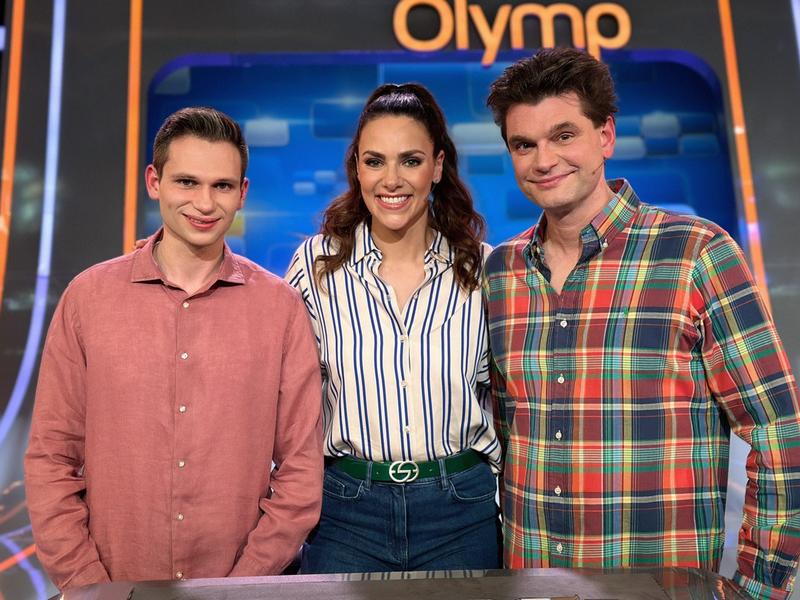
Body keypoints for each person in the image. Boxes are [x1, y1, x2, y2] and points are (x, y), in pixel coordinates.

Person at [482, 47, 800, 599]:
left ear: (605, 135)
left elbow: (780, 431)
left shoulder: (696, 254)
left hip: (659, 589)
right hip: (527, 585)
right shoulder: (500, 273)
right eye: (523, 144)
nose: (543, 160)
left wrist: (758, 588)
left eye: (563, 135)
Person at [24, 107, 324, 592]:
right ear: (154, 181)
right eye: (187, 182)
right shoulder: (88, 298)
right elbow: (51, 460)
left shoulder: (280, 309)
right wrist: (88, 586)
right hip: (110, 585)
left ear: (243, 193)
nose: (205, 203)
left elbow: (301, 472)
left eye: (222, 186)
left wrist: (242, 588)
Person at [285, 83, 502, 573]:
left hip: (461, 512)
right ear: (356, 167)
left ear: (438, 166)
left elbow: (510, 405)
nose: (391, 179)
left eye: (410, 160)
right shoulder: (316, 266)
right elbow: (287, 402)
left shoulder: (484, 270)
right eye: (375, 161)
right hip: (346, 512)